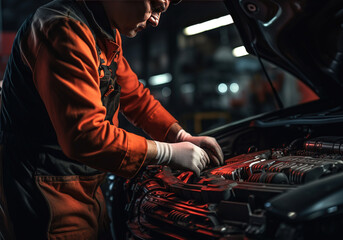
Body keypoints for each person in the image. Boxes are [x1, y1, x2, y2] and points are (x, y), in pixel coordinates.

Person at [0, 0, 224, 239]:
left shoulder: (101, 33)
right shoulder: (63, 29)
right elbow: (86, 136)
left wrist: (180, 136)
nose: (156, 20)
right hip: (44, 190)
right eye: (156, 7)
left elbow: (135, 97)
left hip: (80, 182)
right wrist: (167, 153)